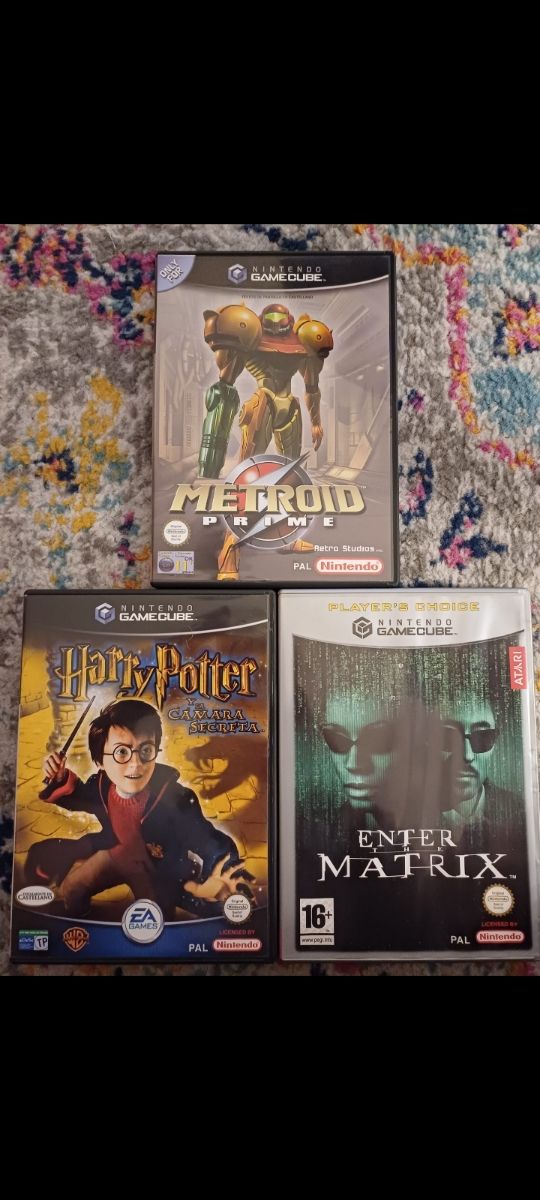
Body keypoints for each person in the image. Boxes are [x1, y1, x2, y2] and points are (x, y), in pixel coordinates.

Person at [25, 698, 252, 918]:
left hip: (155, 871)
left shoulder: (176, 800)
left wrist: (223, 874)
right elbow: (79, 797)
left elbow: (209, 841)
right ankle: (78, 926)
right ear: (100, 761)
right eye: (122, 752)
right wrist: (60, 778)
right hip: (115, 855)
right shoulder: (101, 786)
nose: (136, 764)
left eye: (145, 750)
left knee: (156, 917)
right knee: (72, 888)